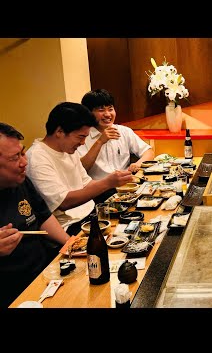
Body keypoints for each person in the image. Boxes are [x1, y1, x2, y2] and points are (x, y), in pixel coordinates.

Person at [26, 102, 133, 235]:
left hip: (92, 214)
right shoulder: (37, 157)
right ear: (59, 131)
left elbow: (86, 183)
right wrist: (107, 183)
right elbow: (63, 202)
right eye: (81, 137)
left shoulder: (67, 150)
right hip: (70, 226)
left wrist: (121, 187)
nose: (83, 143)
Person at [0, 122, 71, 308]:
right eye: (15, 157)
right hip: (11, 291)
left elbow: (43, 216)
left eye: (22, 152)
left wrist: (71, 245)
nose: (25, 162)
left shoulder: (21, 181)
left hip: (45, 273)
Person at [78, 89, 154, 202]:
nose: (108, 114)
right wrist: (100, 141)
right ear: (89, 113)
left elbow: (149, 152)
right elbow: (81, 169)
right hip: (99, 192)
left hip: (127, 188)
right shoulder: (82, 136)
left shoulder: (124, 131)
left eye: (110, 109)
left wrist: (137, 164)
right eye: (101, 110)